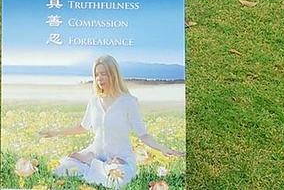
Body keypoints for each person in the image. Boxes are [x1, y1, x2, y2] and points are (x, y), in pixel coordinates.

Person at [40, 55, 184, 187]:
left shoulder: (129, 102)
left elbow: (143, 134)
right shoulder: (94, 101)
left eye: (104, 74)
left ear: (113, 75)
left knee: (115, 181)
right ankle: (94, 162)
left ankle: (91, 162)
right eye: (97, 75)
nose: (99, 79)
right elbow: (83, 127)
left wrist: (163, 148)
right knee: (62, 168)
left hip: (120, 159)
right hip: (96, 152)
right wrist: (55, 133)